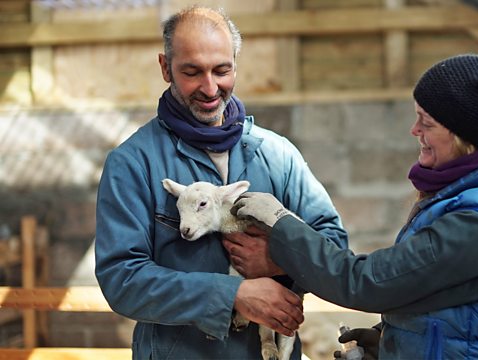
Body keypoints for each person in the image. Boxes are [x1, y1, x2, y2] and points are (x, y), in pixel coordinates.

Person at [227, 54, 478, 359]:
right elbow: (443, 299)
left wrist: (280, 223)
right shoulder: (471, 193)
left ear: (462, 136)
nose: (414, 130)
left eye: (426, 122)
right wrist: (391, 341)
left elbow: (364, 283)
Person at [94, 6, 347, 359]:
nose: (210, 88)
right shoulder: (134, 163)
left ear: (235, 65)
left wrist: (280, 259)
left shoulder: (277, 155)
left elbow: (335, 247)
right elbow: (122, 279)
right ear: (165, 68)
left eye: (222, 70)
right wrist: (232, 295)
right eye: (192, 72)